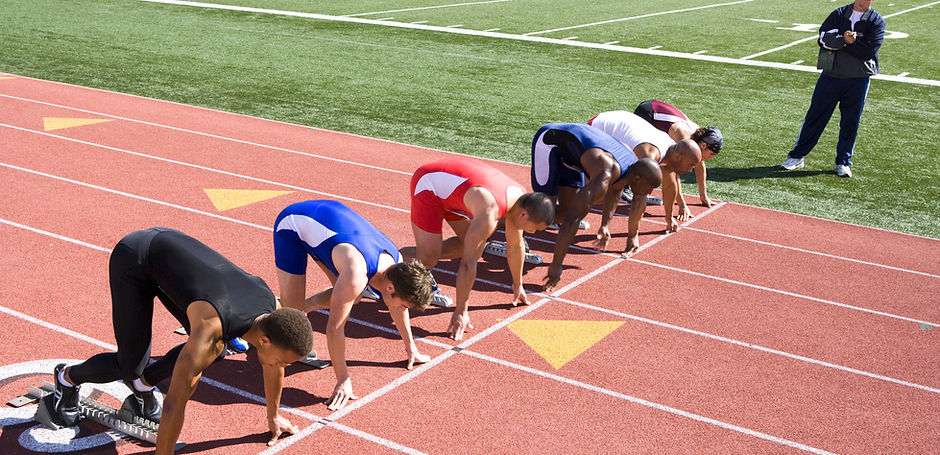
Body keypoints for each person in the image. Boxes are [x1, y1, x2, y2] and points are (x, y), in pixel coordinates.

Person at [51, 227, 314, 453]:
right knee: (129, 366)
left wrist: (274, 415)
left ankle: (142, 387)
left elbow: (273, 365)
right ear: (265, 341)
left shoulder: (274, 314)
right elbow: (174, 405)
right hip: (136, 258)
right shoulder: (210, 333)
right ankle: (67, 379)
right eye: (285, 361)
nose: (284, 366)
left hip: (172, 262)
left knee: (219, 352)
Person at [274, 200, 435, 410]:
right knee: (291, 317)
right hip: (295, 224)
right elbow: (334, 328)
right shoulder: (356, 276)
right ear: (389, 288)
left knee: (352, 297)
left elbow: (396, 306)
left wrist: (410, 348)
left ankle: (305, 306)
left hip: (329, 226)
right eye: (404, 305)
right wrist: (343, 379)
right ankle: (259, 315)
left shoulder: (397, 263)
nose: (402, 309)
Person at [405, 157, 555, 341]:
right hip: (429, 185)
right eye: (534, 228)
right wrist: (461, 311)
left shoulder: (520, 200)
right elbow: (468, 264)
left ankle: (425, 252)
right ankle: (386, 262)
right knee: (429, 258)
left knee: (467, 245)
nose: (531, 232)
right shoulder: (490, 212)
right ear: (524, 214)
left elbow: (515, 246)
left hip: (452, 193)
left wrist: (518, 285)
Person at [530, 123, 662, 291]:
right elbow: (573, 220)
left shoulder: (631, 166)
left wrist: (605, 225)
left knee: (562, 213)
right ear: (637, 178)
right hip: (551, 142)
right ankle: (507, 218)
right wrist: (556, 265)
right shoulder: (606, 173)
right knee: (542, 213)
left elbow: (616, 191)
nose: (649, 192)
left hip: (572, 153)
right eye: (650, 187)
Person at [781, 0, 884, 178]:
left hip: (858, 79)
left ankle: (843, 162)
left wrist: (843, 43)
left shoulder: (876, 21)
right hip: (831, 75)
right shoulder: (839, 13)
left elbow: (869, 51)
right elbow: (822, 39)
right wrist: (845, 40)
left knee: (850, 122)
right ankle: (797, 156)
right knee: (815, 116)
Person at [588, 111, 703, 232]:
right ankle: (569, 214)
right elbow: (639, 197)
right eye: (690, 165)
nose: (690, 170)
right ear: (678, 157)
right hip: (598, 127)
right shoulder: (650, 155)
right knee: (598, 184)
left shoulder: (672, 152)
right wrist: (632, 237)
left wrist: (669, 218)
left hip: (619, 124)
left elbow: (669, 186)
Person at [633, 99, 724, 206]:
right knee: (647, 155)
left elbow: (700, 164)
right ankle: (626, 190)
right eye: (712, 154)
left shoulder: (699, 138)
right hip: (647, 113)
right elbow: (673, 171)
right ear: (703, 145)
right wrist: (682, 205)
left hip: (655, 108)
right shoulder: (683, 138)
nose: (711, 158)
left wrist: (703, 196)